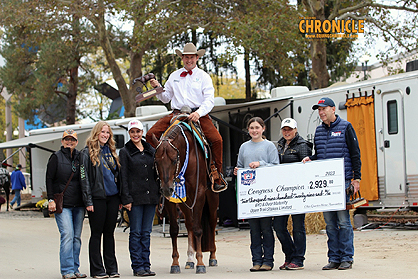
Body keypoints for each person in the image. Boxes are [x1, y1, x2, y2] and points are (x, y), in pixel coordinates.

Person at [146, 42, 227, 192]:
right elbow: (165, 98)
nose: (189, 60)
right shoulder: (174, 75)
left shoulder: (203, 76)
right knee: (150, 134)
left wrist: (198, 113)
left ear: (197, 58)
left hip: (197, 114)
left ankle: (216, 174)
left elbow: (209, 100)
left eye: (191, 57)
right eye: (186, 57)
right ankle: (160, 169)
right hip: (176, 113)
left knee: (217, 140)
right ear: (182, 58)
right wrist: (157, 87)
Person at [302, 97, 361, 270]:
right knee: (329, 223)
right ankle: (334, 257)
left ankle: (347, 257)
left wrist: (356, 178)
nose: (321, 112)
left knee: (343, 221)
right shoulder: (319, 131)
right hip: (325, 185)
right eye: (319, 110)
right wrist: (310, 159)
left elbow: (355, 154)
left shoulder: (346, 127)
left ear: (333, 109)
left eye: (324, 109)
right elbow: (319, 155)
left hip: (342, 181)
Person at [233, 117, 280, 272]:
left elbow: (276, 166)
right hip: (250, 196)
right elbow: (240, 166)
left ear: (263, 129)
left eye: (257, 127)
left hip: (265, 194)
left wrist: (261, 164)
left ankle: (268, 261)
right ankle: (256, 260)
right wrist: (237, 171)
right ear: (248, 130)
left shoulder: (269, 146)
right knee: (253, 230)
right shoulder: (244, 147)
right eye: (251, 128)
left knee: (266, 229)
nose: (254, 130)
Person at [80, 121, 121, 279]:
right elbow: (84, 179)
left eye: (108, 133)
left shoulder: (111, 151)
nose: (105, 135)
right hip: (97, 199)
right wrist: (88, 201)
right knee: (96, 234)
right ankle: (97, 270)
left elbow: (116, 176)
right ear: (96, 133)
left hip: (112, 198)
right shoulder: (86, 152)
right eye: (103, 132)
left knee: (109, 234)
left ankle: (112, 269)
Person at [120, 119, 159, 277]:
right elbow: (123, 176)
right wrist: (126, 199)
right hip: (134, 199)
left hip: (151, 198)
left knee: (146, 233)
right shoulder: (125, 151)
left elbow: (157, 172)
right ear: (129, 133)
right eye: (132, 132)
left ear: (142, 132)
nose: (135, 134)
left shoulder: (151, 150)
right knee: (135, 233)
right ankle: (138, 266)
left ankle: (146, 265)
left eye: (138, 131)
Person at [46, 129, 87, 279]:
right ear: (62, 141)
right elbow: (49, 179)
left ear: (76, 142)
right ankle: (67, 270)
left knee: (77, 237)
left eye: (72, 140)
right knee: (67, 235)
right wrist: (50, 199)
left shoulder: (80, 156)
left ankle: (75, 268)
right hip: (62, 205)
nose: (69, 142)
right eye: (66, 139)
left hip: (79, 204)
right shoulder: (55, 157)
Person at [273, 118, 312, 271]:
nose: (287, 132)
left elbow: (306, 167)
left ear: (295, 130)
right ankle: (290, 255)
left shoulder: (302, 145)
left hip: (297, 193)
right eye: (284, 129)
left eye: (290, 129)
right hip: (282, 194)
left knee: (298, 227)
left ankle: (298, 259)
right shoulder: (280, 145)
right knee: (278, 226)